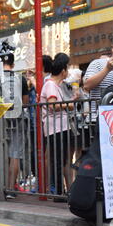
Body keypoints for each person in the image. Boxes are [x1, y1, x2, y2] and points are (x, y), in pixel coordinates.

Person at [0, 54, 29, 199]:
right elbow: (25, 100)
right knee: (15, 154)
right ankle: (11, 189)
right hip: (17, 117)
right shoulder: (21, 78)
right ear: (12, 63)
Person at [39, 53, 77, 200]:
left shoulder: (56, 85)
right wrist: (70, 104)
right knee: (58, 161)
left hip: (60, 128)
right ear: (63, 70)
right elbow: (52, 105)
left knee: (61, 160)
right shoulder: (50, 84)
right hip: (56, 128)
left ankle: (61, 191)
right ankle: (58, 193)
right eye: (67, 68)